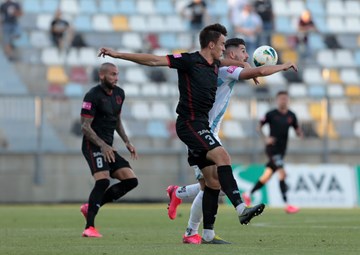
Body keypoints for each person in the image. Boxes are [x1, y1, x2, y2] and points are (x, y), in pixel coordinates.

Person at [98, 23, 265, 244]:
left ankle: (202, 229)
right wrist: (118, 54)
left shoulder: (215, 63)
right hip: (191, 125)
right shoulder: (188, 60)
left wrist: (246, 66)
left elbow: (232, 63)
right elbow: (154, 60)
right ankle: (237, 209)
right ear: (212, 44)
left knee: (212, 184)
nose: (224, 49)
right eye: (223, 44)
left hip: (203, 126)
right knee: (220, 163)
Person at [166, 38, 298, 244]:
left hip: (209, 130)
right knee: (211, 182)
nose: (247, 56)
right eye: (243, 52)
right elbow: (260, 72)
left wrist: (245, 66)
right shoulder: (223, 70)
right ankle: (199, 224)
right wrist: (283, 65)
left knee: (210, 184)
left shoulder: (222, 66)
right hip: (198, 129)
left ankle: (184, 203)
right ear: (231, 53)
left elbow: (245, 68)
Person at [80, 62, 139, 238]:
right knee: (103, 181)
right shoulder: (92, 95)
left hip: (109, 147)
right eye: (112, 74)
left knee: (131, 181)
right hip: (93, 145)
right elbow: (85, 127)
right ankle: (89, 227)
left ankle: (91, 206)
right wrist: (103, 145)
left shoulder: (120, 94)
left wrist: (127, 141)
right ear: (102, 75)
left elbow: (117, 120)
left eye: (117, 74)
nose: (116, 78)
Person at [242, 91, 303, 214]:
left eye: (285, 99)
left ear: (288, 100)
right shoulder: (271, 114)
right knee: (282, 174)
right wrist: (266, 138)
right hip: (272, 149)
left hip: (282, 150)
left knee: (266, 176)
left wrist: (299, 133)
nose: (283, 101)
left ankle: (247, 194)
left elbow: (297, 129)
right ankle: (287, 204)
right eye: (281, 99)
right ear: (277, 100)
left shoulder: (292, 115)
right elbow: (259, 127)